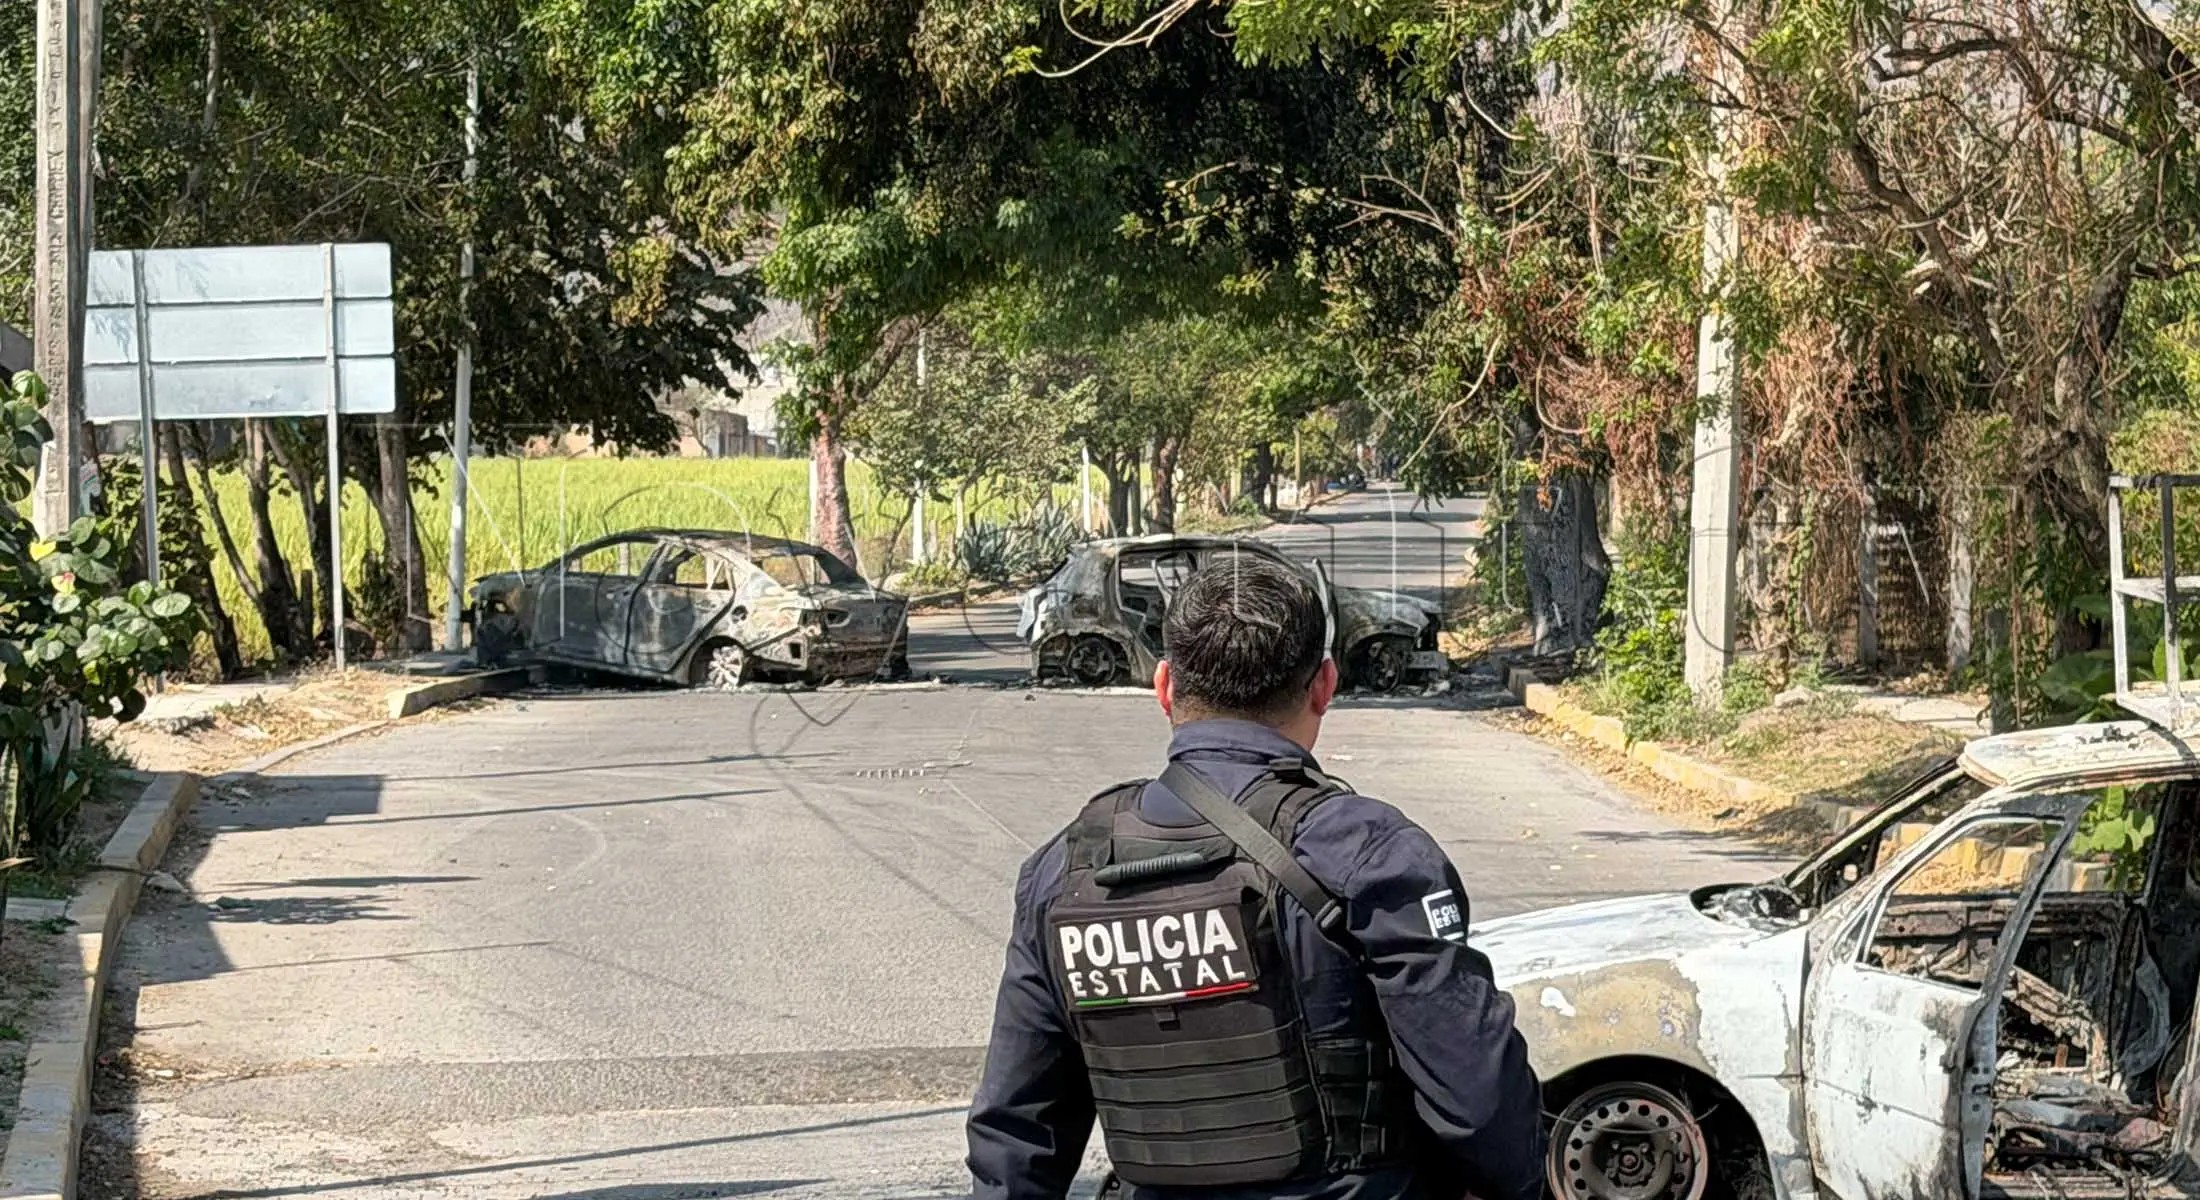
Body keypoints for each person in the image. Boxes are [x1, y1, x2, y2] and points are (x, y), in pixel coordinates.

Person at [967, 553, 1545, 1200]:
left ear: (1164, 687)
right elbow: (1483, 1108)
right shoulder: (1374, 856)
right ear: (1324, 685)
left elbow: (1016, 1140)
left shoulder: (1064, 871)